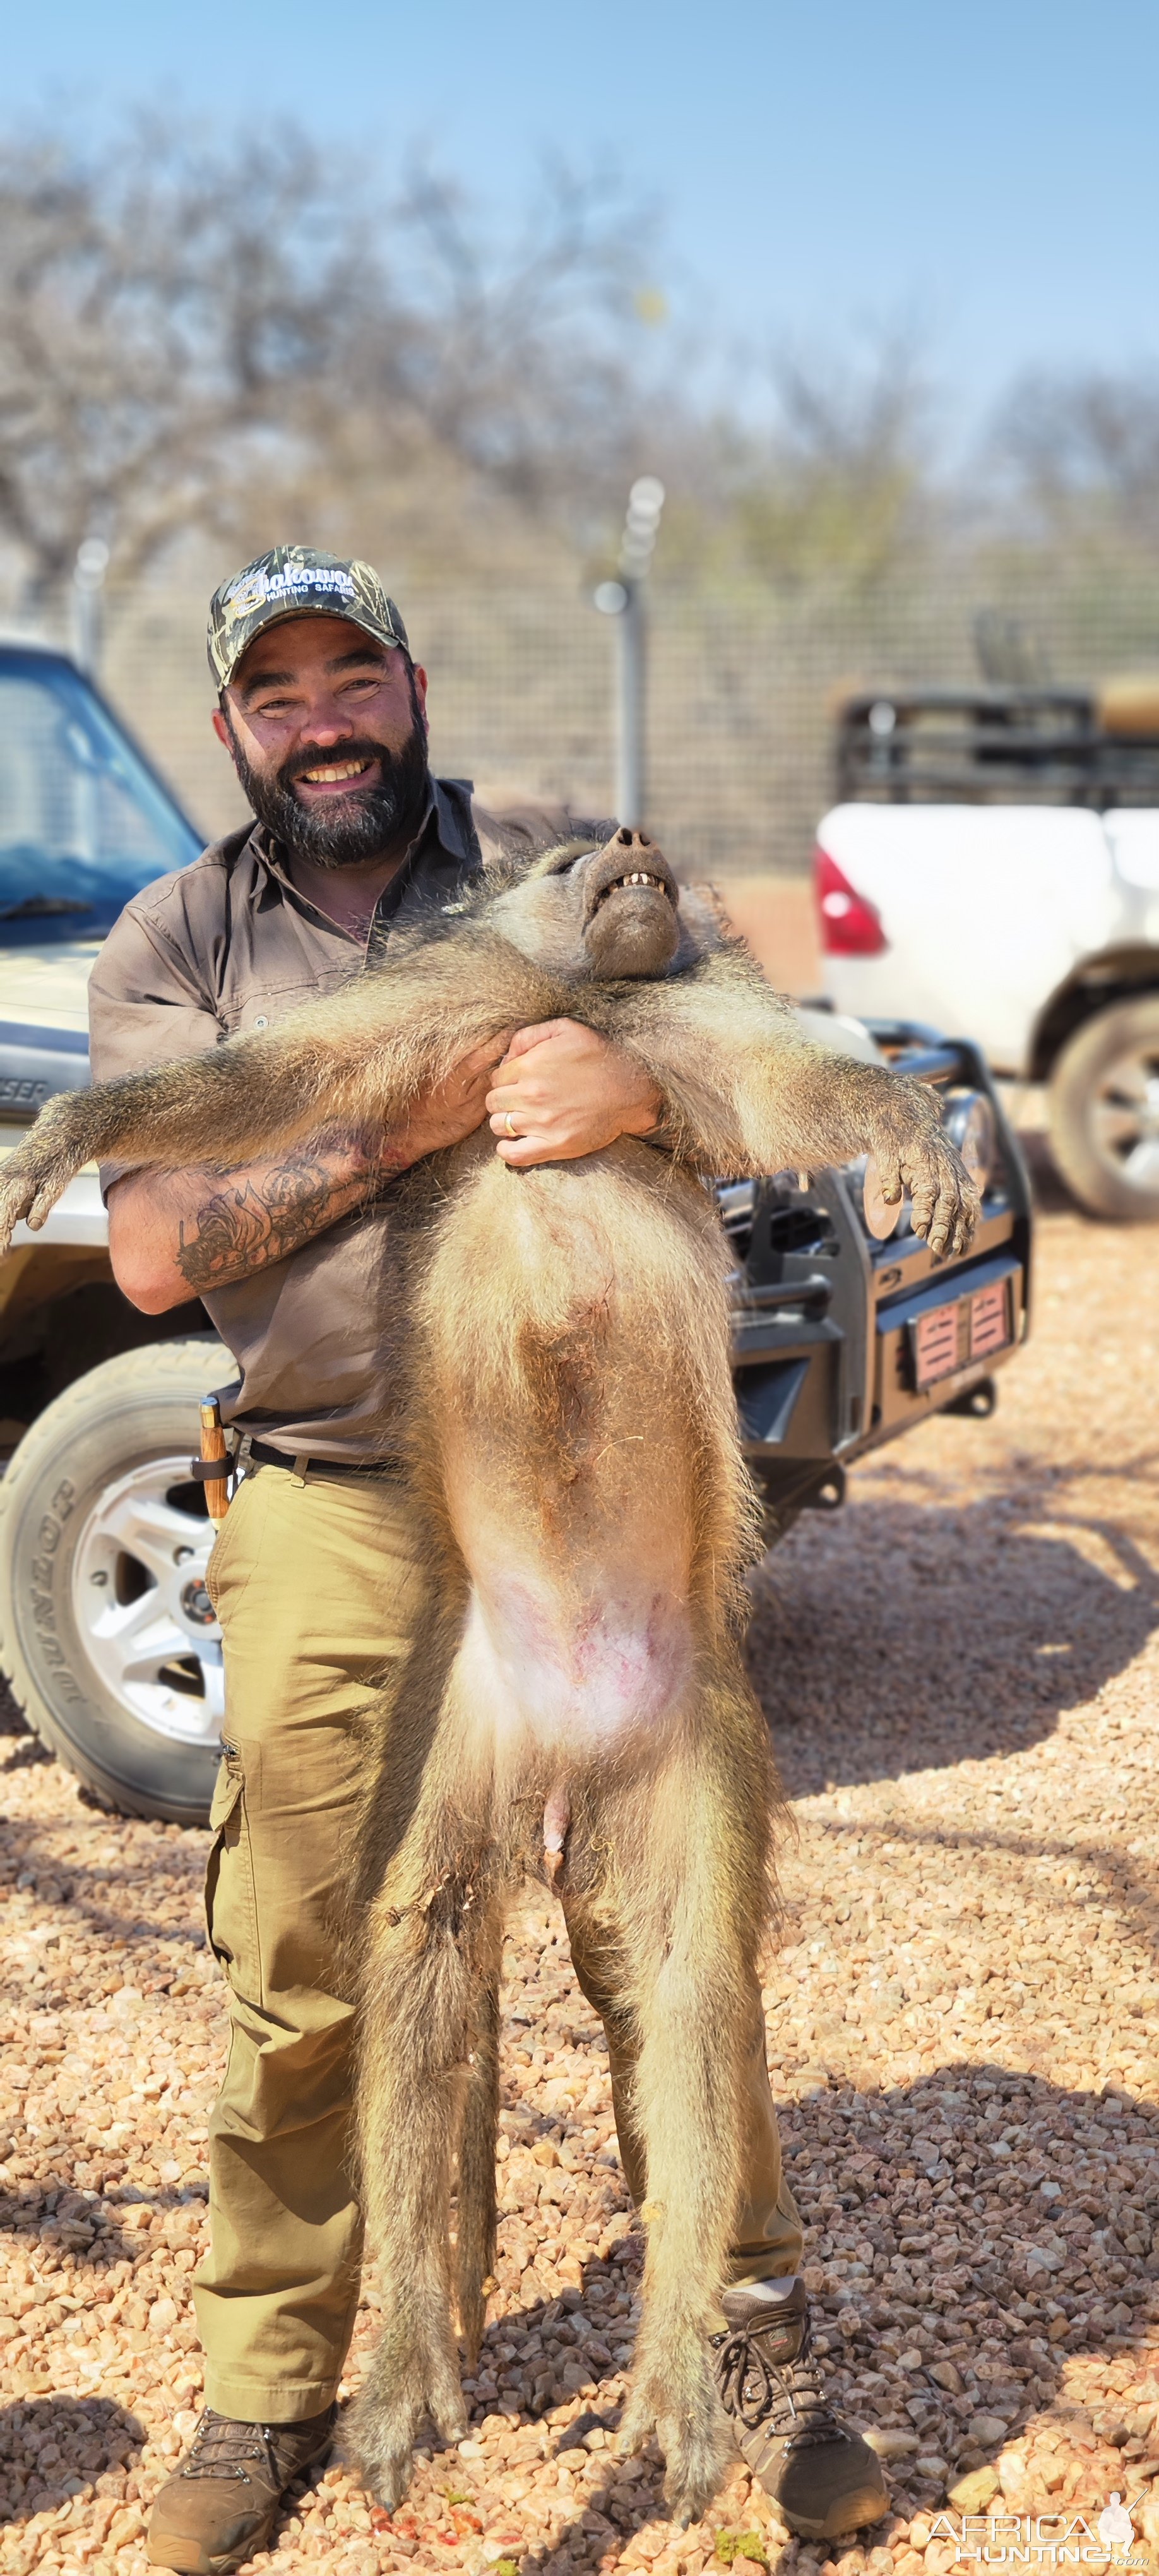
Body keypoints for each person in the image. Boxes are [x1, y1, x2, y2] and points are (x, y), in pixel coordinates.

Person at [88, 547, 887, 2573]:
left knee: (670, 1950)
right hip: (342, 1492)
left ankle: (752, 2356)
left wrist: (646, 1087)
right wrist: (416, 1102)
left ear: (410, 684)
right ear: (233, 732)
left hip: (586, 1484)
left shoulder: (547, 867)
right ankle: (272, 2395)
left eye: (350, 676)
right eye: (279, 695)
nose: (323, 718)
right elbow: (160, 1248)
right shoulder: (175, 940)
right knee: (311, 1951)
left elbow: (757, 1073)